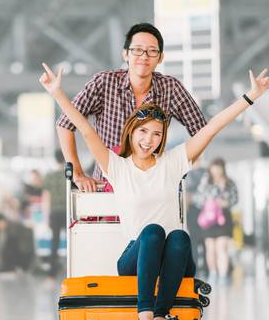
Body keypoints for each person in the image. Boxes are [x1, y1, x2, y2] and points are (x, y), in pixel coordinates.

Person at [40, 63, 269, 320]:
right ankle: (147, 315)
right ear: (132, 132)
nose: (148, 139)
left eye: (156, 134)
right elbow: (85, 129)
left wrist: (251, 96)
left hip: (173, 259)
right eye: (143, 131)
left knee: (179, 237)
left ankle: (160, 314)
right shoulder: (116, 166)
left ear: (162, 139)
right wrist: (57, 93)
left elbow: (211, 128)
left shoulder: (173, 162)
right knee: (153, 231)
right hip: (134, 261)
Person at [56, 23, 207, 193]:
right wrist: (78, 174)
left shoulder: (170, 88)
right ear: (125, 54)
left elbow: (203, 132)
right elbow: (65, 124)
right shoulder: (104, 83)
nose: (144, 56)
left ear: (161, 57)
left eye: (152, 51)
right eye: (137, 50)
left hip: (152, 189)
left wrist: (177, 167)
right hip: (107, 189)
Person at [196, 158, 238, 282]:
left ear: (223, 169)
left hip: (223, 218)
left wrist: (224, 202)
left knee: (222, 247)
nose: (216, 171)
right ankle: (213, 273)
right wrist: (209, 202)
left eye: (218, 168)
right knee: (210, 248)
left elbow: (235, 199)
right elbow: (198, 199)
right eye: (214, 168)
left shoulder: (229, 183)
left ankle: (223, 276)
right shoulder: (205, 182)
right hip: (208, 219)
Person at [41, 149, 67, 276]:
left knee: (54, 241)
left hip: (55, 212)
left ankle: (52, 272)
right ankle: (74, 269)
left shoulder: (49, 176)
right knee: (73, 241)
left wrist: (46, 218)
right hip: (68, 212)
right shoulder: (69, 175)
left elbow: (46, 198)